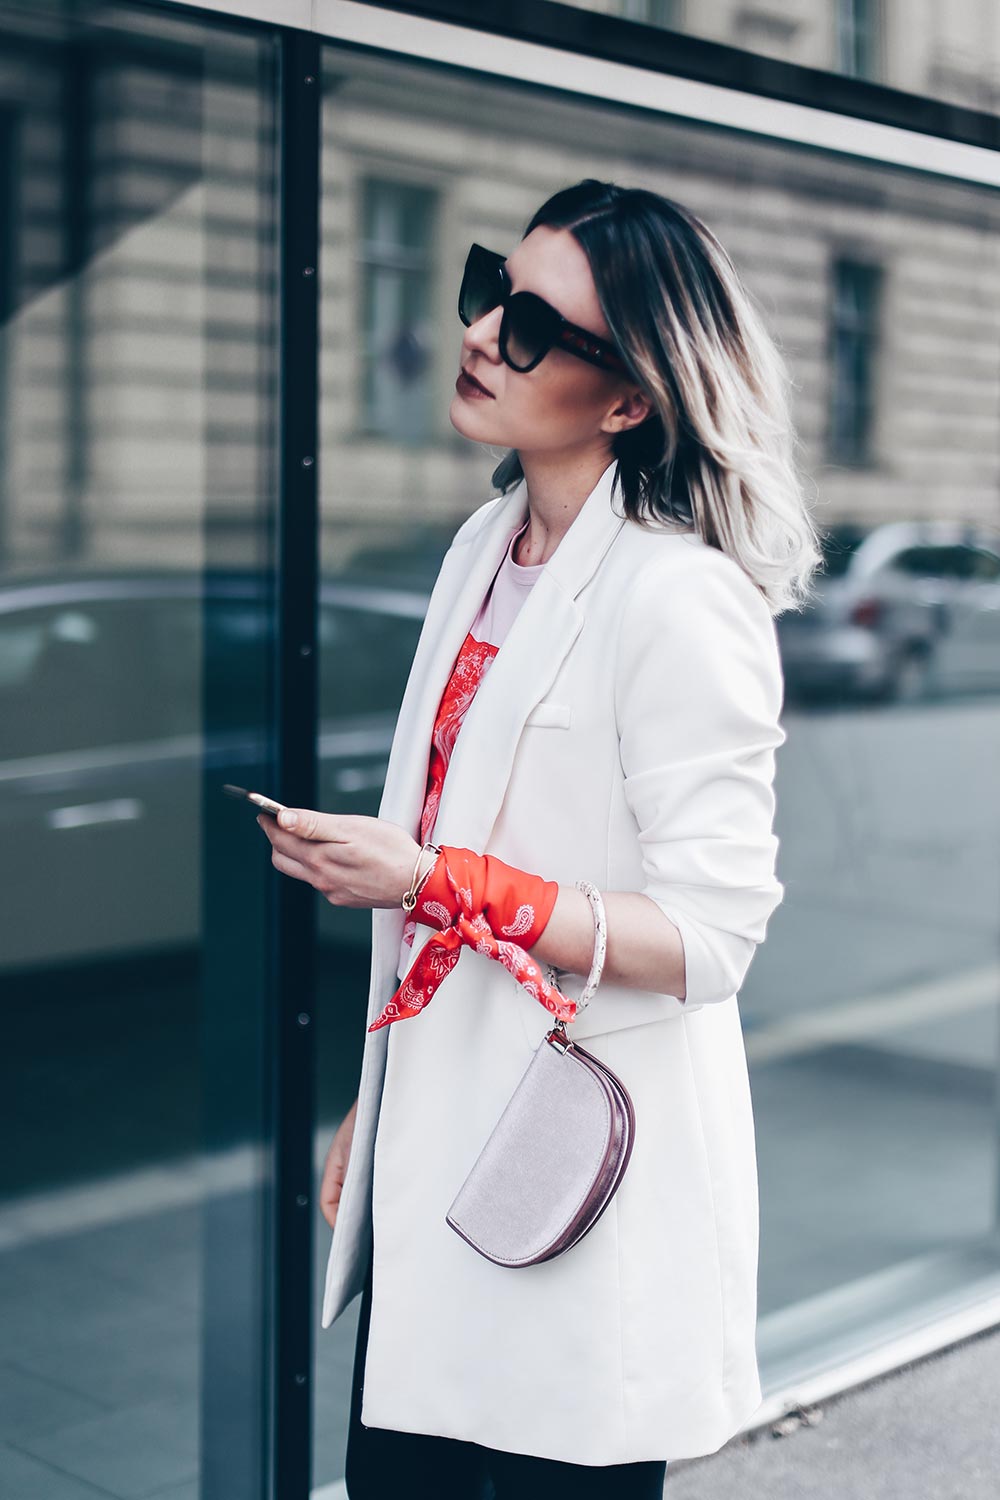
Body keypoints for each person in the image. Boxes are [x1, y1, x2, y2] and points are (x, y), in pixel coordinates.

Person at [256, 179, 823, 1497]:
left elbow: (711, 936)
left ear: (628, 398)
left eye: (530, 326)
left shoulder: (680, 597)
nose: (478, 335)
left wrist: (435, 881)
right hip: (439, 1162)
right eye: (488, 293)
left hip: (576, 1185)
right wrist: (381, 1108)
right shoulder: (483, 547)